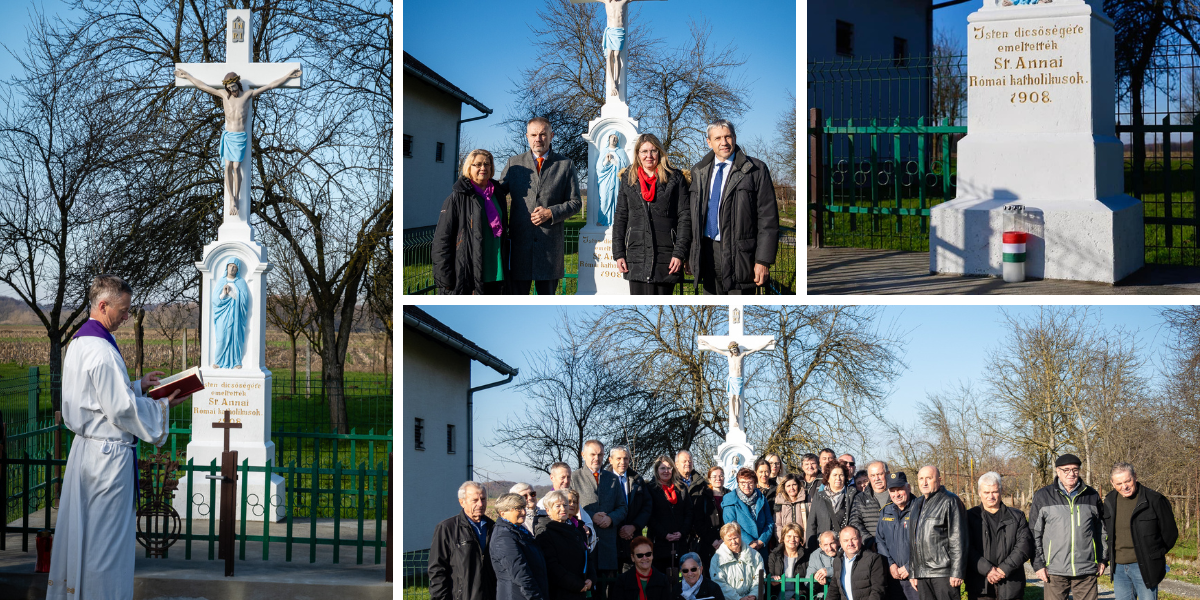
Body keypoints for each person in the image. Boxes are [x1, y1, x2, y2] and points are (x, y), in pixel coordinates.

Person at [46, 275, 186, 600]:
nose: (127, 317)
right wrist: (163, 405)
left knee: (88, 538)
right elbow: (121, 411)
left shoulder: (81, 342)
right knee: (105, 546)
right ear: (103, 305)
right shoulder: (103, 352)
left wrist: (138, 386)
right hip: (107, 462)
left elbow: (97, 400)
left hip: (87, 452)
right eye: (123, 310)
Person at [174, 66, 302, 214]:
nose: (232, 90)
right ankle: (232, 200)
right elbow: (203, 86)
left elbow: (270, 85)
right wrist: (187, 76)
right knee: (227, 167)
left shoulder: (247, 95)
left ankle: (236, 195)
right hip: (228, 136)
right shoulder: (223, 95)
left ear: (238, 84)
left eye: (233, 87)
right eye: (229, 88)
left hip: (240, 137)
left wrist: (288, 76)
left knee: (236, 167)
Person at [687, 119, 779, 294]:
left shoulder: (756, 170)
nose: (724, 142)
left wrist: (763, 260)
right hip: (708, 253)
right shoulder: (698, 171)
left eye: (728, 137)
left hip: (741, 256)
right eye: (718, 138)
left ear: (735, 138)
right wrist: (690, 255)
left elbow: (768, 219)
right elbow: (691, 217)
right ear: (709, 142)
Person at [499, 116, 582, 295]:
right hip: (520, 248)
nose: (538, 139)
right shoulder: (514, 163)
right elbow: (497, 194)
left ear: (551, 136)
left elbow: (575, 203)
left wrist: (551, 213)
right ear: (527, 137)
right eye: (534, 134)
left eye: (543, 134)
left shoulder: (565, 165)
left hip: (550, 248)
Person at [613, 132, 692, 294]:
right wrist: (619, 253)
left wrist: (679, 253)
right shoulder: (628, 178)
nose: (649, 156)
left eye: (653, 151)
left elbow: (685, 217)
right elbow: (621, 216)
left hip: (667, 258)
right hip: (636, 256)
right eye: (644, 151)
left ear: (660, 153)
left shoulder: (675, 178)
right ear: (637, 154)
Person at [1029, 454, 1107, 600]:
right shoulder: (1043, 496)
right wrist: (1038, 564)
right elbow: (1034, 533)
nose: (1071, 473)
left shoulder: (1092, 495)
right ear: (1058, 471)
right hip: (1054, 570)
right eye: (1066, 470)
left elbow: (1102, 531)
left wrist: (1102, 559)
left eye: (1075, 469)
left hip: (1086, 570)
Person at [432, 148, 509, 294]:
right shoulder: (457, 198)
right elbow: (441, 241)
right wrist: (445, 281)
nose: (483, 168)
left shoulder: (498, 195)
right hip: (469, 275)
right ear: (469, 167)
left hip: (498, 274)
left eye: (487, 164)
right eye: (478, 164)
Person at [1103, 463, 1178, 600]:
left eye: (1127, 481)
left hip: (1144, 566)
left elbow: (1170, 533)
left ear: (1135, 477)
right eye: (1119, 483)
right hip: (1118, 568)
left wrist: (1155, 554)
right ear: (1112, 483)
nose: (1124, 486)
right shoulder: (1109, 501)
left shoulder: (1154, 500)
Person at [964, 473, 1033, 600]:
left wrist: (1003, 570)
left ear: (1001, 491)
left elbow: (1024, 546)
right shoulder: (969, 517)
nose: (991, 496)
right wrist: (987, 569)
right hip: (980, 585)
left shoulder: (1017, 516)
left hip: (1011, 584)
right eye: (986, 492)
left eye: (995, 492)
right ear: (979, 492)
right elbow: (966, 548)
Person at [572, 440, 629, 591]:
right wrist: (591, 516)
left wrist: (611, 518)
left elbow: (622, 507)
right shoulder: (574, 478)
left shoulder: (612, 479)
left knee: (609, 591)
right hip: (585, 546)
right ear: (583, 455)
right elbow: (571, 508)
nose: (596, 458)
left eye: (600, 454)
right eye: (592, 454)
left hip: (608, 546)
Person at [906, 466, 967, 600]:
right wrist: (913, 572)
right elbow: (913, 541)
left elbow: (958, 538)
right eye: (921, 478)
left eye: (929, 478)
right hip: (922, 574)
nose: (924, 482)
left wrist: (957, 571)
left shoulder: (950, 501)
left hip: (943, 573)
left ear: (939, 480)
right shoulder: (916, 504)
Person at [430, 481, 498, 600]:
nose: (480, 504)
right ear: (462, 502)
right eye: (475, 500)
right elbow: (437, 569)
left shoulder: (494, 527)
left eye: (483, 499)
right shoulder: (447, 528)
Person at [537, 490, 594, 600]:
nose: (563, 509)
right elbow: (552, 567)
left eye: (565, 505)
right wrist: (576, 584)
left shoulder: (575, 529)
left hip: (582, 589)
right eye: (557, 506)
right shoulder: (545, 534)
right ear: (548, 510)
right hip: (562, 592)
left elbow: (587, 556)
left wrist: (591, 578)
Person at [492, 493, 551, 600]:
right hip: (518, 596)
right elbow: (521, 574)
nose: (523, 512)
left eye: (523, 507)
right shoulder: (504, 537)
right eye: (518, 509)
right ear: (503, 513)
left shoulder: (519, 530)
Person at [608, 445, 653, 572]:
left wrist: (633, 526)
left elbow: (647, 507)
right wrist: (619, 529)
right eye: (619, 458)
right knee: (612, 585)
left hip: (633, 539)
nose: (623, 462)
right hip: (612, 539)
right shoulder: (603, 480)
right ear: (610, 460)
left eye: (626, 458)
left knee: (632, 582)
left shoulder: (638, 480)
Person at [648, 454, 694, 574]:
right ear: (657, 470)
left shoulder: (681, 488)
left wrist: (682, 532)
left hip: (680, 542)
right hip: (660, 542)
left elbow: (689, 512)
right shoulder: (650, 489)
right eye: (662, 468)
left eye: (669, 468)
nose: (666, 471)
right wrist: (664, 534)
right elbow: (650, 516)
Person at [876, 473, 918, 600]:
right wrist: (890, 564)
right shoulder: (885, 511)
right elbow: (880, 540)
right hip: (893, 575)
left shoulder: (920, 509)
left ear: (908, 488)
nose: (896, 494)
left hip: (915, 576)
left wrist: (911, 566)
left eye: (900, 489)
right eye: (892, 491)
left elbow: (927, 543)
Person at [536, 462, 597, 549]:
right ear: (552, 478)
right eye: (562, 477)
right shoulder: (544, 502)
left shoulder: (573, 501)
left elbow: (587, 523)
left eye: (568, 477)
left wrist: (588, 530)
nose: (566, 481)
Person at [723, 467, 774, 561]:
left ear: (755, 483)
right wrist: (749, 542)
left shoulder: (761, 498)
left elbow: (769, 522)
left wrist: (761, 541)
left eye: (750, 482)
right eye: (742, 483)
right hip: (740, 547)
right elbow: (731, 525)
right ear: (738, 483)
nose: (746, 486)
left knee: (761, 574)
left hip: (761, 548)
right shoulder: (729, 499)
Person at [806, 462, 857, 550]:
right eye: (835, 475)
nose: (838, 478)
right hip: (824, 547)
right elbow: (811, 524)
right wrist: (810, 547)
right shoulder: (819, 496)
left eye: (841, 475)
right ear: (828, 477)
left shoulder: (852, 495)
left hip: (846, 547)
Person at [211, 257, 251, 368]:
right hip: (222, 316)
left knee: (235, 338)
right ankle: (218, 361)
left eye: (235, 267)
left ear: (237, 269)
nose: (232, 268)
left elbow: (244, 301)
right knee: (221, 338)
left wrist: (232, 293)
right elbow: (215, 300)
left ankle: (236, 361)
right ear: (227, 267)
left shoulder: (241, 282)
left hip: (235, 315)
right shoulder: (221, 281)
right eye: (230, 266)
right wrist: (224, 293)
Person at [827, 527, 887, 600]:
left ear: (860, 539)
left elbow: (878, 590)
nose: (850, 543)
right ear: (841, 543)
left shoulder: (874, 559)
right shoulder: (838, 561)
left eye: (854, 539)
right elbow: (834, 589)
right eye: (846, 540)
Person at [711, 522, 766, 600]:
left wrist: (753, 595)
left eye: (735, 537)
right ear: (723, 540)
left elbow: (759, 579)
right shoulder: (716, 559)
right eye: (729, 539)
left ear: (740, 536)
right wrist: (738, 598)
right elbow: (719, 583)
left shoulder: (755, 555)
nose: (733, 542)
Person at [612, 536, 672, 600]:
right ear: (632, 558)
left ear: (652, 555)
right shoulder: (622, 580)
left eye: (648, 554)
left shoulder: (662, 579)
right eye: (640, 555)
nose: (644, 558)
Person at [849, 461, 891, 550]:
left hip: (896, 549)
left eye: (880, 474)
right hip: (871, 550)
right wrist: (870, 541)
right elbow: (855, 523)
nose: (876, 478)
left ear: (888, 474)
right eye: (872, 475)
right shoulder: (860, 498)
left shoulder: (898, 495)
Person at [697, 466, 729, 570]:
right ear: (709, 479)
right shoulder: (703, 497)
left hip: (727, 543)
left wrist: (724, 540)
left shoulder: (730, 495)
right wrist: (713, 540)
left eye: (721, 476)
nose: (718, 479)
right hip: (708, 545)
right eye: (714, 476)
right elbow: (698, 522)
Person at [767, 523, 808, 600]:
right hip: (777, 596)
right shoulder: (774, 555)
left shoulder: (806, 557)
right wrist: (771, 580)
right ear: (783, 538)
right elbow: (769, 575)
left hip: (799, 596)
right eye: (789, 536)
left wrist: (795, 597)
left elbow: (807, 583)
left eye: (796, 536)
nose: (792, 540)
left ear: (800, 539)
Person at [596, 133, 628, 226]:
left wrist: (614, 162)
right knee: (604, 199)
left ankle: (616, 221)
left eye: (616, 138)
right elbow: (599, 168)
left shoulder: (621, 152)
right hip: (605, 181)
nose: (614, 139)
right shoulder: (604, 151)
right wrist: (606, 161)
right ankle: (602, 221)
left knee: (617, 199)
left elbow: (624, 168)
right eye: (612, 137)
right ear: (609, 139)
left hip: (617, 181)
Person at [774, 474, 808, 545]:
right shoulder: (779, 502)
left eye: (794, 485)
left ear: (798, 485)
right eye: (788, 486)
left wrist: (804, 540)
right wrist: (783, 540)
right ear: (784, 488)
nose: (791, 488)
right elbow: (777, 524)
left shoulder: (807, 500)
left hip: (804, 542)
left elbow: (811, 523)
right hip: (786, 543)